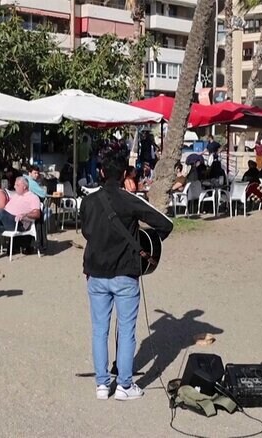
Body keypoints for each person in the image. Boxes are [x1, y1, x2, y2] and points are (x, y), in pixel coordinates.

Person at [80, 154, 173, 401]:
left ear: (101, 173)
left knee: (99, 330)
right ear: (124, 175)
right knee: (126, 330)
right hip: (125, 273)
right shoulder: (130, 199)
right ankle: (124, 385)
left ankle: (102, 385)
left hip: (95, 272)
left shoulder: (88, 201)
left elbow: (86, 232)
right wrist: (146, 241)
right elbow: (165, 224)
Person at [0, 176, 41, 263]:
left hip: (19, 223)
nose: (15, 187)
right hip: (7, 221)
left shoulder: (33, 197)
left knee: (1, 211)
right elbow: (7, 208)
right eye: (15, 185)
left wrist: (25, 214)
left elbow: (37, 214)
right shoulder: (16, 196)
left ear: (24, 186)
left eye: (17, 185)